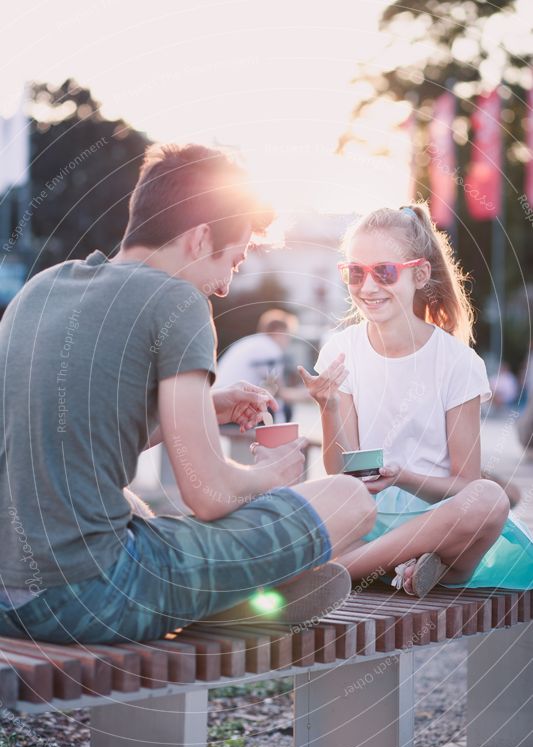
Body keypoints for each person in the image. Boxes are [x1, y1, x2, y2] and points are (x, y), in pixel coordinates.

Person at [0, 143, 377, 644]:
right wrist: (271, 477)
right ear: (201, 238)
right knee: (349, 498)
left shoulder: (42, 289)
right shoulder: (176, 298)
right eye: (235, 261)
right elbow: (208, 495)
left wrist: (198, 409)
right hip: (91, 596)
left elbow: (62, 444)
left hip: (10, 595)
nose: (224, 287)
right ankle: (243, 595)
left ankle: (234, 598)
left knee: (133, 508)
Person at [299, 202, 533, 596]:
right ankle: (414, 566)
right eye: (356, 272)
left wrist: (403, 477)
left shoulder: (457, 361)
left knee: (489, 499)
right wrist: (329, 406)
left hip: (436, 520)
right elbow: (341, 472)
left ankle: (335, 571)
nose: (368, 287)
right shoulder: (340, 349)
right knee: (302, 505)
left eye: (384, 272)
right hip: (363, 519)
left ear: (420, 274)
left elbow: (465, 484)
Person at [216, 309, 306, 422]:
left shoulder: (251, 342)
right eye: (288, 336)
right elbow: (279, 393)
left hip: (218, 397)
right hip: (230, 405)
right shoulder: (270, 348)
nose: (288, 341)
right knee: (283, 409)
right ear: (279, 332)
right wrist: (310, 394)